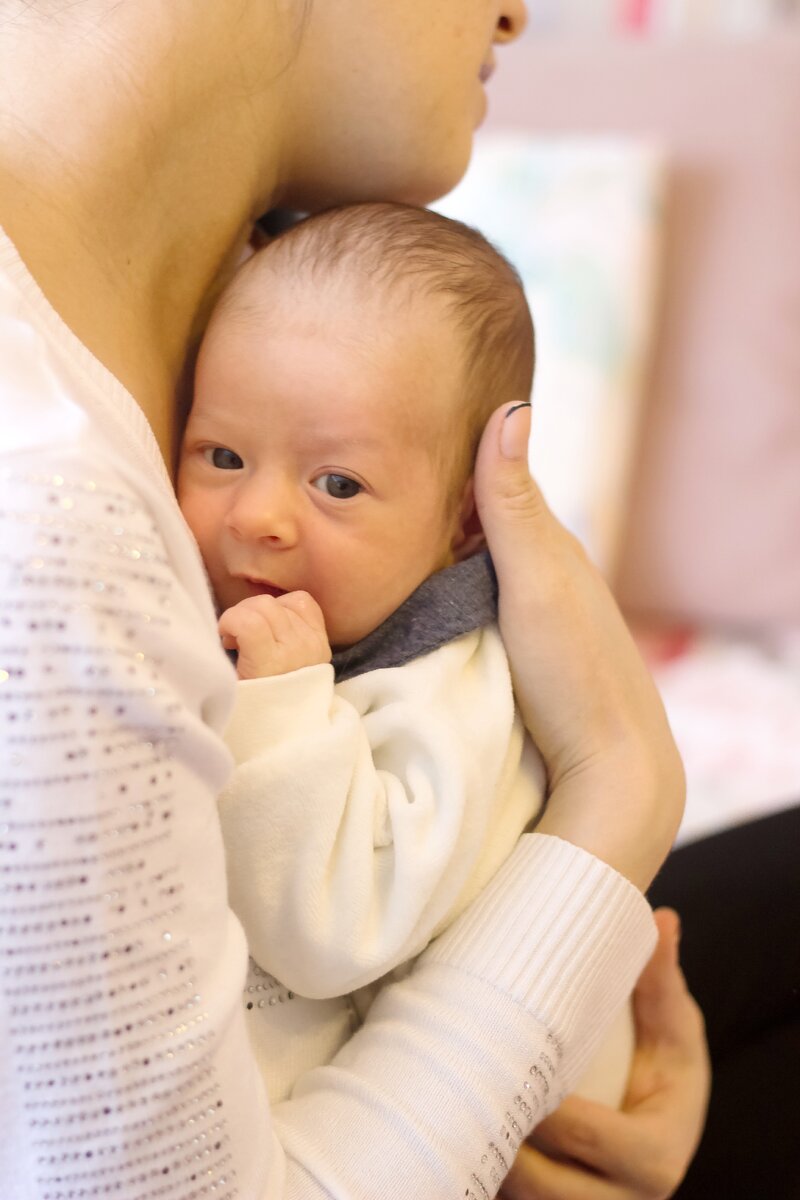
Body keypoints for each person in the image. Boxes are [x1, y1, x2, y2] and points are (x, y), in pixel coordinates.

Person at [0, 2, 708, 1197]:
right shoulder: (58, 521)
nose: (515, 13)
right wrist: (618, 789)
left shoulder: (261, 276)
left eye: (335, 480)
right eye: (221, 457)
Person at [177, 200, 635, 1109]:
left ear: (465, 520)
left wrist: (286, 709)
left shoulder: (449, 683)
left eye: (337, 483)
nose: (256, 516)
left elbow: (338, 926)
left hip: (534, 1112)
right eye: (221, 454)